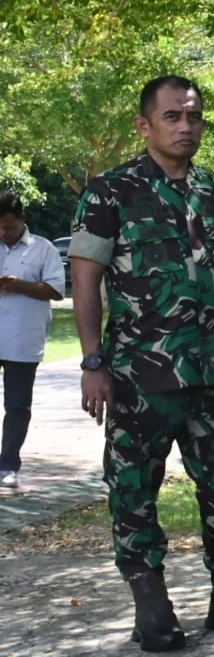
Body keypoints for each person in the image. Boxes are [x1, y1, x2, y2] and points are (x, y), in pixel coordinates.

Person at [68, 75, 214, 652]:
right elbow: (85, 279)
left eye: (194, 116)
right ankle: (151, 606)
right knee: (134, 489)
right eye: (174, 117)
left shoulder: (213, 191)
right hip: (139, 377)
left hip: (212, 375)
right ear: (145, 124)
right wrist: (91, 361)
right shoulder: (111, 192)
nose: (186, 126)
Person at [0, 191, 65, 490]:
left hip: (22, 338)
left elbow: (55, 290)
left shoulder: (43, 249)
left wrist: (18, 284)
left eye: (9, 226)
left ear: (22, 219)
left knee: (16, 405)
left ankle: (8, 464)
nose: (3, 232)